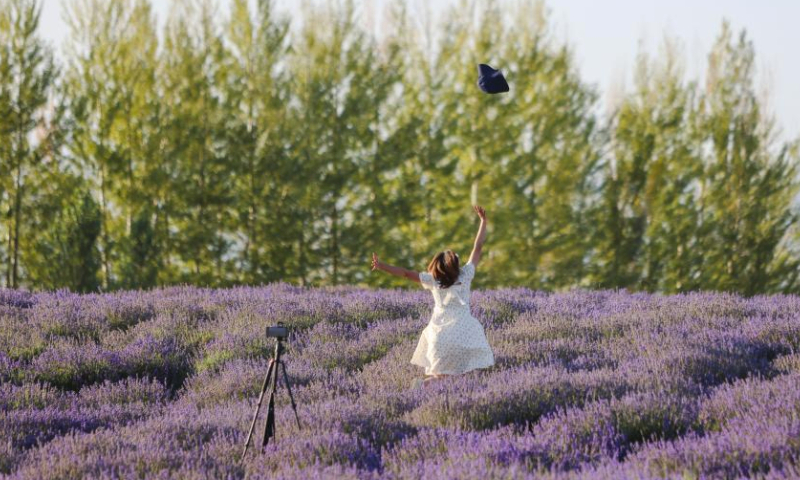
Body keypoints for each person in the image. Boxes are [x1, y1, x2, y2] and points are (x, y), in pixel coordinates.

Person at [371, 205, 495, 388]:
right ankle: (423, 390)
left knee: (440, 378)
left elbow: (405, 273)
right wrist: (483, 222)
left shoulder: (433, 280)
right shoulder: (466, 274)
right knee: (460, 377)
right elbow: (478, 248)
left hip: (439, 336)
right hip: (465, 335)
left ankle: (419, 388)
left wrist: (382, 266)